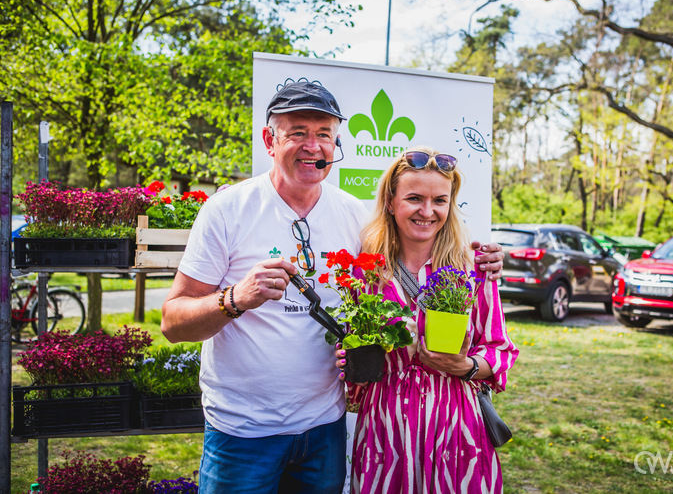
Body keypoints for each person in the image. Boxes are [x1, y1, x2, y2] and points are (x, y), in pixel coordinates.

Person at [160, 82, 505, 493]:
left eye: (324, 134)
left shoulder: (353, 216)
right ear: (270, 140)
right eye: (298, 132)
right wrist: (236, 298)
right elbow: (172, 322)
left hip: (324, 429)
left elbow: (415, 247)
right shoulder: (227, 210)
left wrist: (482, 259)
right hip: (243, 432)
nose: (313, 146)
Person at [337, 147, 519, 493]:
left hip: (457, 428)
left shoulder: (473, 268)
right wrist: (347, 357)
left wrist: (464, 366)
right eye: (415, 198)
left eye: (439, 200)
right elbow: (351, 353)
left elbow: (499, 350)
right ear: (391, 202)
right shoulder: (366, 272)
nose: (427, 211)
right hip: (386, 431)